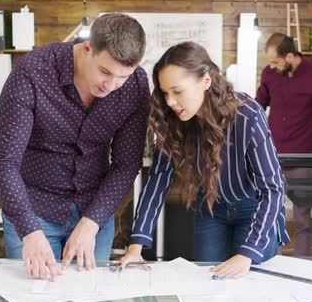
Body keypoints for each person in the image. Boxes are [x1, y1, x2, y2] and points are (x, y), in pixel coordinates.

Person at [0, 13, 149, 281]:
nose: (112, 85)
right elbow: (3, 161)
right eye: (105, 72)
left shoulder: (135, 85)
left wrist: (91, 222)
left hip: (94, 210)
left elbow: (126, 163)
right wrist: (29, 230)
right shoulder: (33, 72)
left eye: (122, 77)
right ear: (86, 48)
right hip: (34, 209)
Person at [113, 41, 290, 279]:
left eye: (177, 91)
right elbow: (157, 182)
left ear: (206, 81)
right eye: (165, 93)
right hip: (210, 208)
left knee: (249, 289)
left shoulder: (248, 116)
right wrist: (136, 245)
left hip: (254, 210)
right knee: (208, 286)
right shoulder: (173, 120)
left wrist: (248, 253)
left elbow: (273, 189)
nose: (170, 102)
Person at [256, 33, 312, 256]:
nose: (271, 67)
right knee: (270, 215)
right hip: (272, 157)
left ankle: (300, 268)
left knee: (302, 219)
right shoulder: (270, 75)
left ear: (290, 56)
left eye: (275, 62)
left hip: (303, 157)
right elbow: (257, 110)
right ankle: (272, 263)